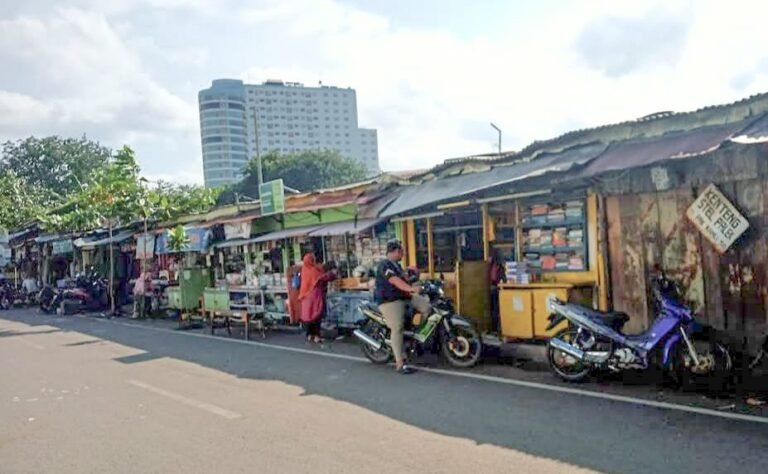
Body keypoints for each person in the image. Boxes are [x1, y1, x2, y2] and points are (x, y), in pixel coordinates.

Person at [374, 240, 431, 375]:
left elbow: (405, 279)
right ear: (395, 251)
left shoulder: (398, 266)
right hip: (390, 300)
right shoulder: (385, 265)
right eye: (401, 251)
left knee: (427, 307)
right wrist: (411, 289)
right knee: (397, 327)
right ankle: (400, 363)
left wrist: (419, 282)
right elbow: (394, 280)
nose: (403, 254)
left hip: (404, 297)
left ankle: (413, 336)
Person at [298, 254, 337, 343]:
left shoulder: (305, 269)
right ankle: (316, 336)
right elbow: (323, 277)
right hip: (314, 297)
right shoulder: (313, 271)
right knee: (316, 317)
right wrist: (333, 274)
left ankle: (309, 335)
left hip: (305, 297)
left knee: (308, 317)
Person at [488, 250, 506, 335]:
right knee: (493, 310)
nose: (489, 259)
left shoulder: (498, 267)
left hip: (495, 290)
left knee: (495, 310)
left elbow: (499, 279)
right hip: (492, 290)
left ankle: (495, 328)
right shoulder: (489, 266)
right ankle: (494, 327)